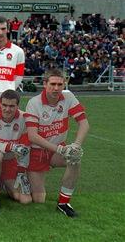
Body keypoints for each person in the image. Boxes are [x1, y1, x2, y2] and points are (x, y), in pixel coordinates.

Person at [25, 69, 89, 217]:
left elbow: (84, 124)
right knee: (38, 199)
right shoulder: (34, 103)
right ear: (45, 84)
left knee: (74, 159)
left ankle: (63, 203)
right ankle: (23, 174)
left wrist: (75, 146)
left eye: (60, 84)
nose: (56, 88)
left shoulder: (68, 96)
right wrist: (61, 150)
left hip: (57, 150)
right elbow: (33, 136)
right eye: (52, 84)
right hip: (37, 152)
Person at [0, 89, 32, 206]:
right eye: (4, 105)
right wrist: (10, 146)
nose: (7, 109)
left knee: (25, 199)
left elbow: (26, 148)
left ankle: (4, 182)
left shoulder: (24, 118)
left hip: (10, 162)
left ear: (17, 106)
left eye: (11, 106)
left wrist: (21, 171)